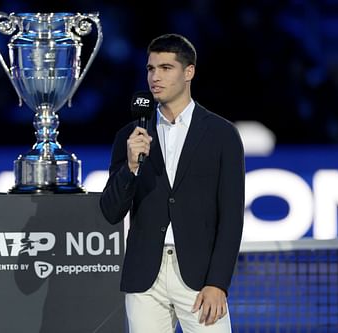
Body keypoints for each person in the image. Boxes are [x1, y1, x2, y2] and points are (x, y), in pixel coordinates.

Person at [99, 33, 245, 333]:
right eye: (151, 69)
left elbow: (231, 217)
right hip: (145, 278)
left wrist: (218, 283)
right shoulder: (130, 136)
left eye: (166, 68)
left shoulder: (222, 134)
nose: (155, 77)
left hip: (199, 276)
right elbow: (111, 211)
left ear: (188, 72)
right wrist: (130, 166)